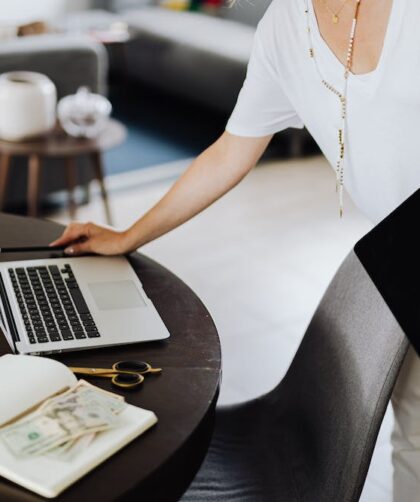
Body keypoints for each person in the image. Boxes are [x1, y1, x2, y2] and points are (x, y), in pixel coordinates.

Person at [51, 0, 420, 499]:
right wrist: (129, 235)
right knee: (415, 436)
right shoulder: (285, 29)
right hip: (401, 263)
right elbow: (232, 150)